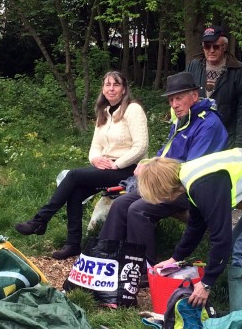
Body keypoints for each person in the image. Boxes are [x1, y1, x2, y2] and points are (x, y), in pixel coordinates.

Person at [137, 147, 242, 312]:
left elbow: (221, 238)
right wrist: (175, 258)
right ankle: (239, 305)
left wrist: (206, 283)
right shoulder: (188, 177)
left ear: (164, 188)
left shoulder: (204, 187)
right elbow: (196, 225)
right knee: (235, 246)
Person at [14, 71, 149, 260]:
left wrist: (117, 164)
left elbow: (141, 146)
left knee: (74, 175)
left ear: (124, 89)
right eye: (107, 84)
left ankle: (40, 220)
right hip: (106, 167)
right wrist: (95, 159)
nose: (111, 89)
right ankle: (72, 244)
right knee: (75, 192)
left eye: (116, 85)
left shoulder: (133, 109)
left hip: (128, 169)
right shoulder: (104, 112)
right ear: (103, 89)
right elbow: (95, 146)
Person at [97, 72, 227, 262]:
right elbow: (165, 152)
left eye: (179, 98)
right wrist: (147, 164)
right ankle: (103, 257)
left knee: (137, 210)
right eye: (171, 99)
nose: (174, 105)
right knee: (120, 204)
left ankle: (142, 267)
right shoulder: (183, 119)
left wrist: (153, 170)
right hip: (166, 182)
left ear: (194, 96)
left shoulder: (209, 124)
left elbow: (192, 169)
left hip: (190, 189)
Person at [185, 26, 242, 148]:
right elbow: (184, 98)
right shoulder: (194, 66)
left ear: (224, 47)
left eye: (216, 47)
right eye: (207, 46)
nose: (211, 50)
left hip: (227, 137)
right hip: (197, 136)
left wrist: (241, 144)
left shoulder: (237, 70)